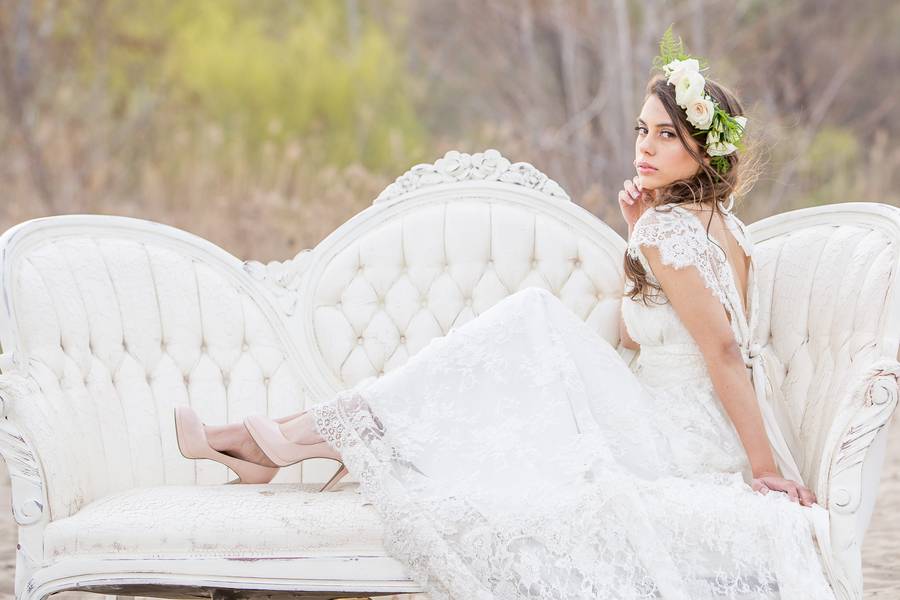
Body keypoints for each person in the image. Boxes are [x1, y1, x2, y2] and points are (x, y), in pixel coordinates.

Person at [175, 30, 837, 599]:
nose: (646, 145)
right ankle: (273, 442)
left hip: (675, 442)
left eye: (668, 135)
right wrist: (637, 230)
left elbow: (722, 349)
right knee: (505, 358)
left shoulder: (670, 231)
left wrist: (763, 470)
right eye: (642, 129)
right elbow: (690, 333)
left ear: (702, 150)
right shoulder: (723, 229)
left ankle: (272, 442)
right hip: (687, 424)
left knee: (528, 325)